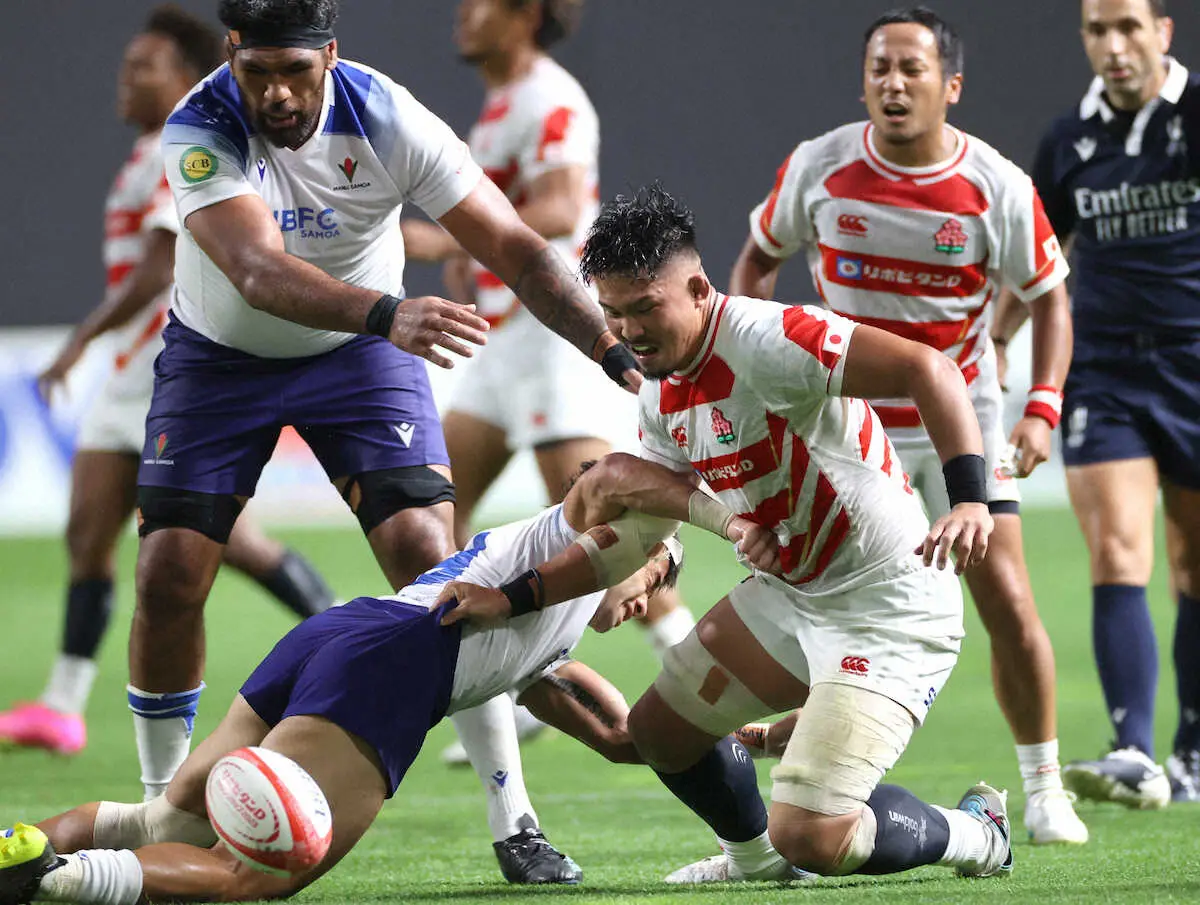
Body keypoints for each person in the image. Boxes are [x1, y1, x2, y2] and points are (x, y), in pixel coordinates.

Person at [127, 0, 639, 883]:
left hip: (360, 356)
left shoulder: (389, 116)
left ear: (330, 54)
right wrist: (388, 312)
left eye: (297, 71)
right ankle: (161, 809)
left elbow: (516, 246)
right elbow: (254, 272)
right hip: (223, 357)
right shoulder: (199, 125)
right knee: (168, 572)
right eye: (257, 72)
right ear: (231, 54)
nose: (278, 94)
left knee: (432, 561)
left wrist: (609, 347)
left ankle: (514, 819)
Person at [0, 453, 697, 904]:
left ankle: (14, 853)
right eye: (659, 569)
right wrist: (718, 512)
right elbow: (606, 477)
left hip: (340, 634)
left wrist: (739, 728)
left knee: (158, 821)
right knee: (259, 874)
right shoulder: (564, 538)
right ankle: (56, 879)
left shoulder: (555, 631)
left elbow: (622, 735)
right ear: (623, 538)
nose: (654, 594)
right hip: (392, 664)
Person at [580, 183, 1013, 883]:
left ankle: (977, 833)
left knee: (813, 833)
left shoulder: (769, 339)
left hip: (888, 606)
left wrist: (969, 500)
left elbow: (926, 367)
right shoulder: (660, 389)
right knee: (658, 732)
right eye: (613, 312)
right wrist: (642, 568)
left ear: (697, 288)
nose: (628, 330)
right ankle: (755, 863)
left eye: (645, 307)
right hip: (791, 596)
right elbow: (667, 507)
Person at [727, 6, 1087, 845]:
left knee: (1006, 598)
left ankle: (1045, 789)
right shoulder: (820, 166)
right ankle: (804, 787)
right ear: (863, 82)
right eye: (879, 69)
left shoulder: (994, 185)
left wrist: (1042, 406)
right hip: (846, 428)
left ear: (950, 86)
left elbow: (1050, 297)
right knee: (817, 601)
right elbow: (756, 262)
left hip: (960, 419)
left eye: (912, 69)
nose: (893, 84)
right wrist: (755, 362)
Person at [0, 5, 335, 758]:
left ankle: (352, 631)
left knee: (226, 544)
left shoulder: (184, 143)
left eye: (142, 67)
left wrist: (79, 339)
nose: (125, 79)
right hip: (128, 376)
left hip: (171, 371)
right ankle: (61, 706)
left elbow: (157, 268)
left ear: (185, 76)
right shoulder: (146, 150)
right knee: (88, 531)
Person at [401, 0, 695, 849]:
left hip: (553, 345)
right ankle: (511, 671)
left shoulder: (549, 97)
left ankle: (694, 678)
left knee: (610, 529)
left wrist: (446, 239)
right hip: (504, 345)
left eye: (482, 3)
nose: (463, 13)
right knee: (429, 514)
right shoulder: (502, 105)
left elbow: (564, 208)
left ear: (526, 14)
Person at [991, 0, 1200, 807]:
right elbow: (1039, 260)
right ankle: (1133, 751)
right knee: (1117, 550)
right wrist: (996, 337)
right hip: (1105, 370)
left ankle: (1191, 753)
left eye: (1129, 27)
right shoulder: (1068, 140)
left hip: (1193, 362)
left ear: (1162, 33)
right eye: (1097, 29)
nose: (1113, 45)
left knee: (1192, 561)